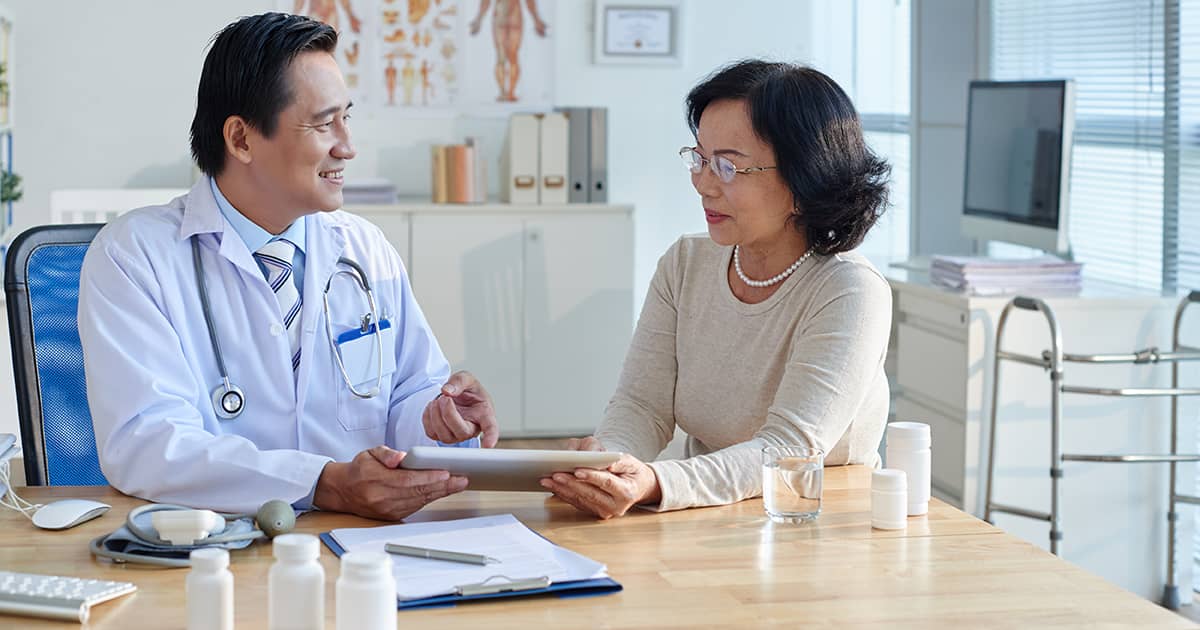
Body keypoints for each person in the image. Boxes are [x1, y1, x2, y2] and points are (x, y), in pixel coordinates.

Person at [78, 13, 498, 521]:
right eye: (324, 124)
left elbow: (409, 392)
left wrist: (441, 419)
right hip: (215, 547)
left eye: (347, 117)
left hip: (369, 546)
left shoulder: (365, 248)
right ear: (241, 140)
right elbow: (148, 444)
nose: (348, 145)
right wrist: (323, 483)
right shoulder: (134, 256)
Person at [541, 60, 893, 519]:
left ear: (805, 177)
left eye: (728, 166)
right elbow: (642, 404)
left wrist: (654, 483)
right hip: (705, 511)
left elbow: (787, 450)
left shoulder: (850, 291)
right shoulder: (686, 263)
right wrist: (608, 463)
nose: (703, 184)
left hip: (817, 523)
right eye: (701, 159)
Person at [468, 0, 547, 102]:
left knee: (506, 57)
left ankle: (506, 92)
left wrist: (478, 19)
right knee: (509, 57)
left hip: (505, 15)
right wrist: (536, 20)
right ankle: (508, 93)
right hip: (511, 15)